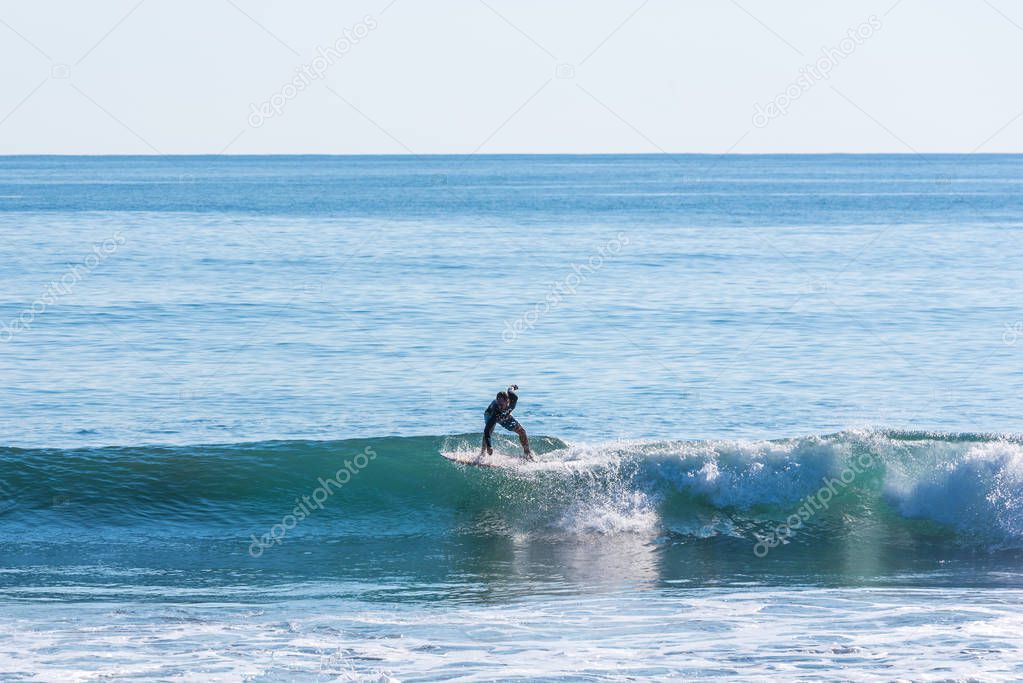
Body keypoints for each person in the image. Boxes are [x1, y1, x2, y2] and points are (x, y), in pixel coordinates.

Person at [481, 384, 532, 459]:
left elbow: (509, 390)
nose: (499, 406)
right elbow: (487, 430)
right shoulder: (496, 411)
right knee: (489, 431)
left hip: (505, 414)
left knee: (522, 432)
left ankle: (527, 454)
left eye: (501, 404)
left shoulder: (514, 398)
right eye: (498, 404)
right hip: (489, 414)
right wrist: (489, 446)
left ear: (507, 401)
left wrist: (513, 387)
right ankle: (482, 453)